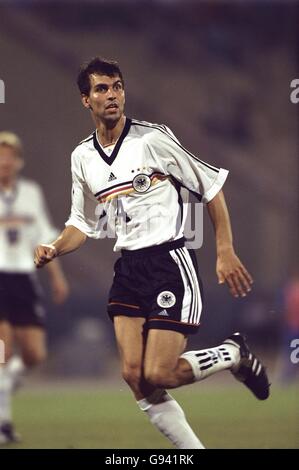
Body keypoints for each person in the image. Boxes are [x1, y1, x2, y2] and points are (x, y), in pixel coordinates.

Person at [34, 57, 270, 449]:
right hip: (128, 267)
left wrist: (224, 249)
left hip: (169, 262)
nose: (112, 95)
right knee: (134, 375)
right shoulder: (82, 157)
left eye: (117, 87)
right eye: (101, 89)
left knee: (158, 373)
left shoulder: (151, 139)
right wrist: (55, 248)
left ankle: (233, 353)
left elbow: (209, 186)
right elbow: (82, 223)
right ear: (85, 100)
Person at [0, 131, 69, 445]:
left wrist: (57, 276)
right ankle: (4, 423)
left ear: (19, 161)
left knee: (34, 353)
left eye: (10, 156)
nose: (5, 161)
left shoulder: (30, 192)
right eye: (1, 156)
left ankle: (4, 391)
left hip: (25, 278)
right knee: (3, 351)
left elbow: (44, 238)